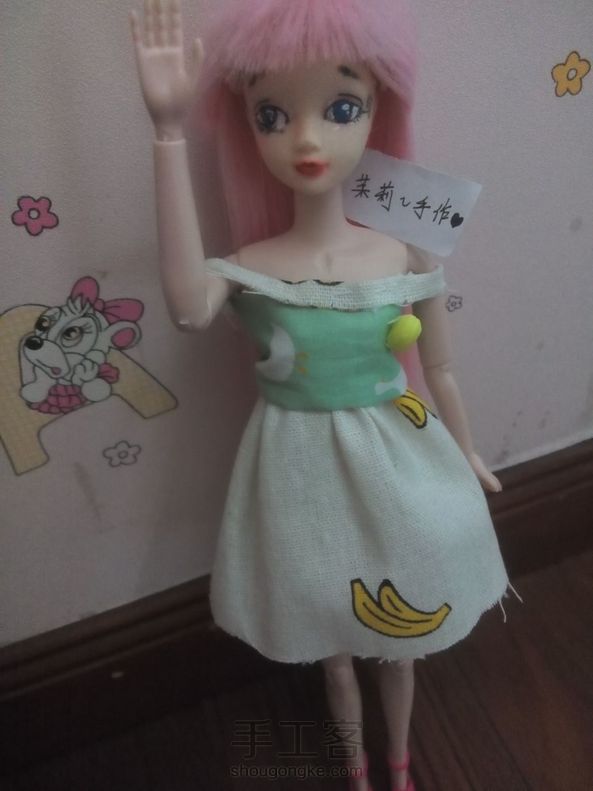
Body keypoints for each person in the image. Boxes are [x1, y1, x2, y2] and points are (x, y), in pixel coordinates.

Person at [129, 2, 513, 789]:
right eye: (272, 115)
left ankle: (398, 762)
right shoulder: (251, 265)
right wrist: (166, 133)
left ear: (377, 111)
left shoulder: (401, 254)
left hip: (399, 456)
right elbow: (186, 307)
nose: (306, 140)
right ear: (249, 127)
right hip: (296, 467)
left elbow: (439, 368)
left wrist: (467, 450)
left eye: (341, 108)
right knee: (333, 652)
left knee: (399, 643)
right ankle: (355, 767)